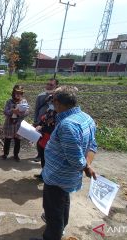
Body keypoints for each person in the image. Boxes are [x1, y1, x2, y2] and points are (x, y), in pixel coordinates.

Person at [34, 86, 97, 240]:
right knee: (63, 202)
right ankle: (61, 227)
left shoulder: (67, 125)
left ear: (57, 102)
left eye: (52, 99)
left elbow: (75, 159)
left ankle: (52, 235)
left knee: (53, 211)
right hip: (67, 178)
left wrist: (85, 167)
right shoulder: (86, 117)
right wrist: (87, 165)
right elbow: (92, 146)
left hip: (58, 176)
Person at [33, 78, 59, 160]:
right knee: (39, 138)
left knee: (51, 139)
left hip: (53, 123)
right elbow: (36, 109)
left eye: (51, 85)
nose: (48, 86)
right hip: (41, 121)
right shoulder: (40, 96)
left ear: (56, 86)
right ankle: (39, 155)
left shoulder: (59, 97)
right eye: (47, 84)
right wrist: (35, 121)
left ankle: (49, 156)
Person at [2, 85, 29, 161]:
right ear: (13, 93)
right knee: (7, 140)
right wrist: (12, 111)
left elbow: (27, 112)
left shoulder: (24, 101)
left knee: (18, 141)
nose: (18, 94)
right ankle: (5, 154)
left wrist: (20, 113)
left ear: (22, 94)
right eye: (16, 92)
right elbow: (5, 112)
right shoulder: (9, 101)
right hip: (9, 124)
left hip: (19, 124)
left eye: (20, 93)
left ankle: (16, 155)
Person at [34, 98, 57, 181]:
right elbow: (42, 121)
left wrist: (41, 128)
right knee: (43, 158)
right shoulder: (49, 111)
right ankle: (43, 174)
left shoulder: (57, 115)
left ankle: (47, 177)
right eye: (49, 102)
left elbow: (53, 129)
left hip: (50, 141)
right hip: (43, 139)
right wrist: (35, 125)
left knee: (48, 160)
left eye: (52, 102)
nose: (50, 103)